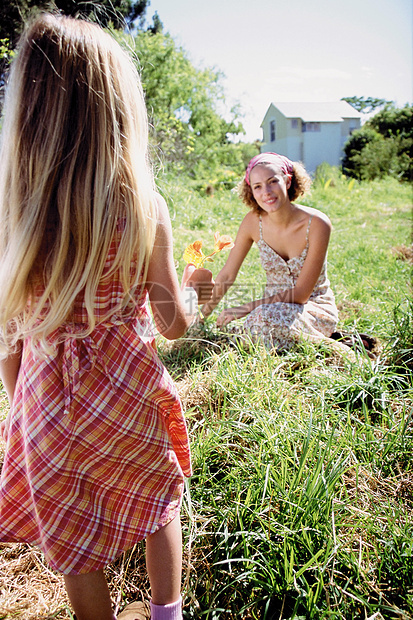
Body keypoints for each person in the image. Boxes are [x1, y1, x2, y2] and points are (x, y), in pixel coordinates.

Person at [0, 14, 213, 620]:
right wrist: (196, 291)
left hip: (44, 399)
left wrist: (24, 402)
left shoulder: (13, 213)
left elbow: (8, 338)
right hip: (125, 390)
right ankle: (166, 612)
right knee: (157, 495)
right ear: (117, 108)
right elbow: (172, 324)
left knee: (73, 533)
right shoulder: (144, 205)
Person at [201, 152, 339, 351]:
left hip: (313, 308)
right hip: (269, 311)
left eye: (272, 181)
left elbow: (301, 294)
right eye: (257, 186)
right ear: (251, 191)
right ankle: (300, 345)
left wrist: (248, 307)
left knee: (259, 322)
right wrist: (201, 317)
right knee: (256, 325)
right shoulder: (252, 222)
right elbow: (228, 274)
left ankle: (332, 347)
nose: (266, 191)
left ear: (288, 181)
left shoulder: (317, 223)